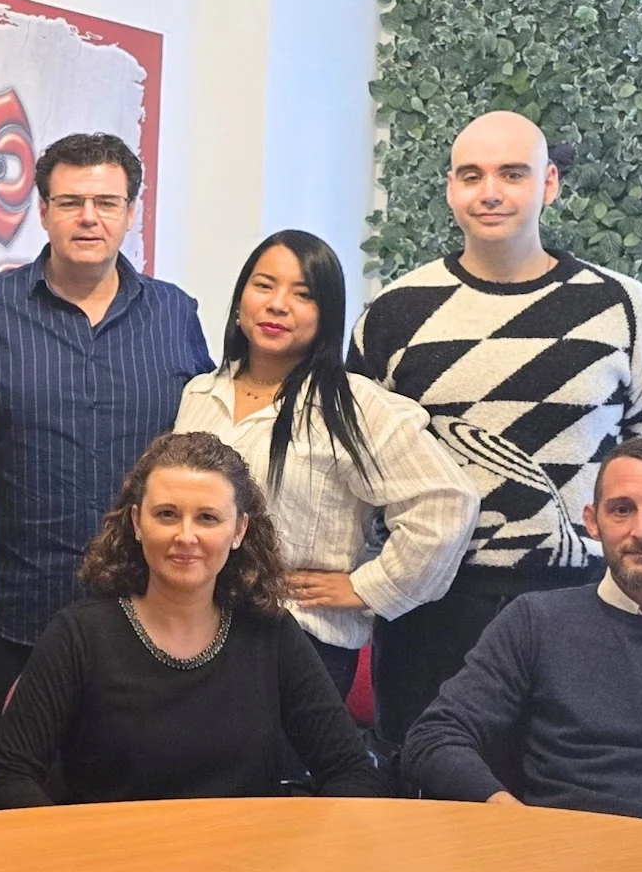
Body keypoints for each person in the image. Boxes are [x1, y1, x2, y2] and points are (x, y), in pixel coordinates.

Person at [347, 111, 642, 753]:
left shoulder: (626, 309)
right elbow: (358, 466)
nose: (490, 192)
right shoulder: (392, 314)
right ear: (450, 188)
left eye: (513, 174)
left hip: (583, 600)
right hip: (433, 605)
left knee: (574, 784)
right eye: (471, 175)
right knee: (427, 783)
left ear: (549, 184)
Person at [0, 132, 213, 769]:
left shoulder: (174, 314)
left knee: (135, 787)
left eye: (106, 202)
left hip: (145, 613)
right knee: (13, 782)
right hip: (21, 611)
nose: (89, 218)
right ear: (42, 211)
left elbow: (209, 448)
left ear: (131, 212)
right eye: (70, 202)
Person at [402, 436, 642, 849]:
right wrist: (510, 818)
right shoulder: (535, 622)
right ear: (592, 522)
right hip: (566, 861)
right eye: (622, 509)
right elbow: (434, 737)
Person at [0, 432, 382, 808]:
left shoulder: (271, 634)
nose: (186, 536)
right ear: (137, 523)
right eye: (167, 514)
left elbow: (351, 770)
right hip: (114, 857)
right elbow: (5, 774)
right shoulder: (79, 636)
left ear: (239, 530)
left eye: (208, 518)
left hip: (248, 857)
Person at [175, 230, 476, 696]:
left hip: (299, 642)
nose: (278, 305)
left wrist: (368, 587)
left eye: (303, 295)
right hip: (194, 629)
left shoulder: (350, 405)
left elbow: (446, 500)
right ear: (239, 302)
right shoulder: (199, 392)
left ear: (327, 314)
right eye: (264, 285)